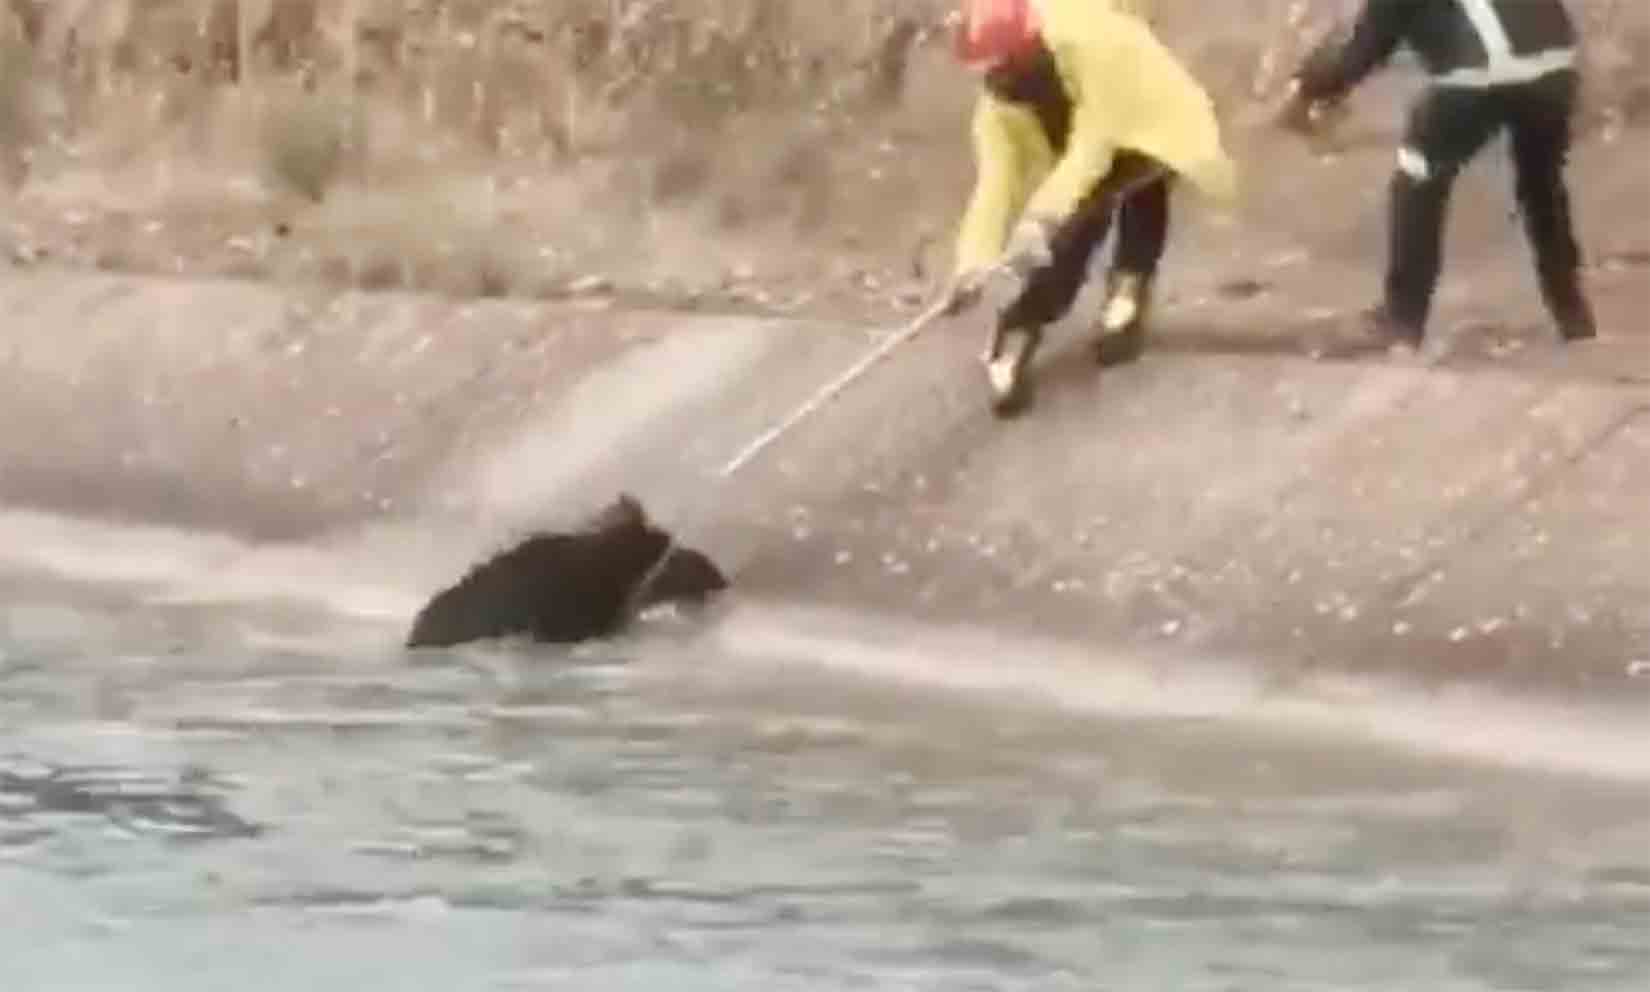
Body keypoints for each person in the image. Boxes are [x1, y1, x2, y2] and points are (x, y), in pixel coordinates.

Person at [941, 0, 1237, 417]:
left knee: (1138, 187)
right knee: (1073, 232)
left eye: (1000, 68)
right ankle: (1021, 324)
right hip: (1078, 130)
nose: (993, 81)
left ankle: (1130, 286)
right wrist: (972, 264)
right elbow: (995, 187)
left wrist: (1039, 220)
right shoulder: (997, 105)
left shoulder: (1090, 44)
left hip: (1145, 107)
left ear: (1027, 50)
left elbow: (1092, 147)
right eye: (986, 73)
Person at [1281, 0, 1597, 351]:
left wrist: (1305, 89)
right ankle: (1572, 314)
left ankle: (1402, 317)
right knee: (1542, 185)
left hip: (1480, 75)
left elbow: (1363, 54)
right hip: (1555, 68)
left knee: (1418, 176)